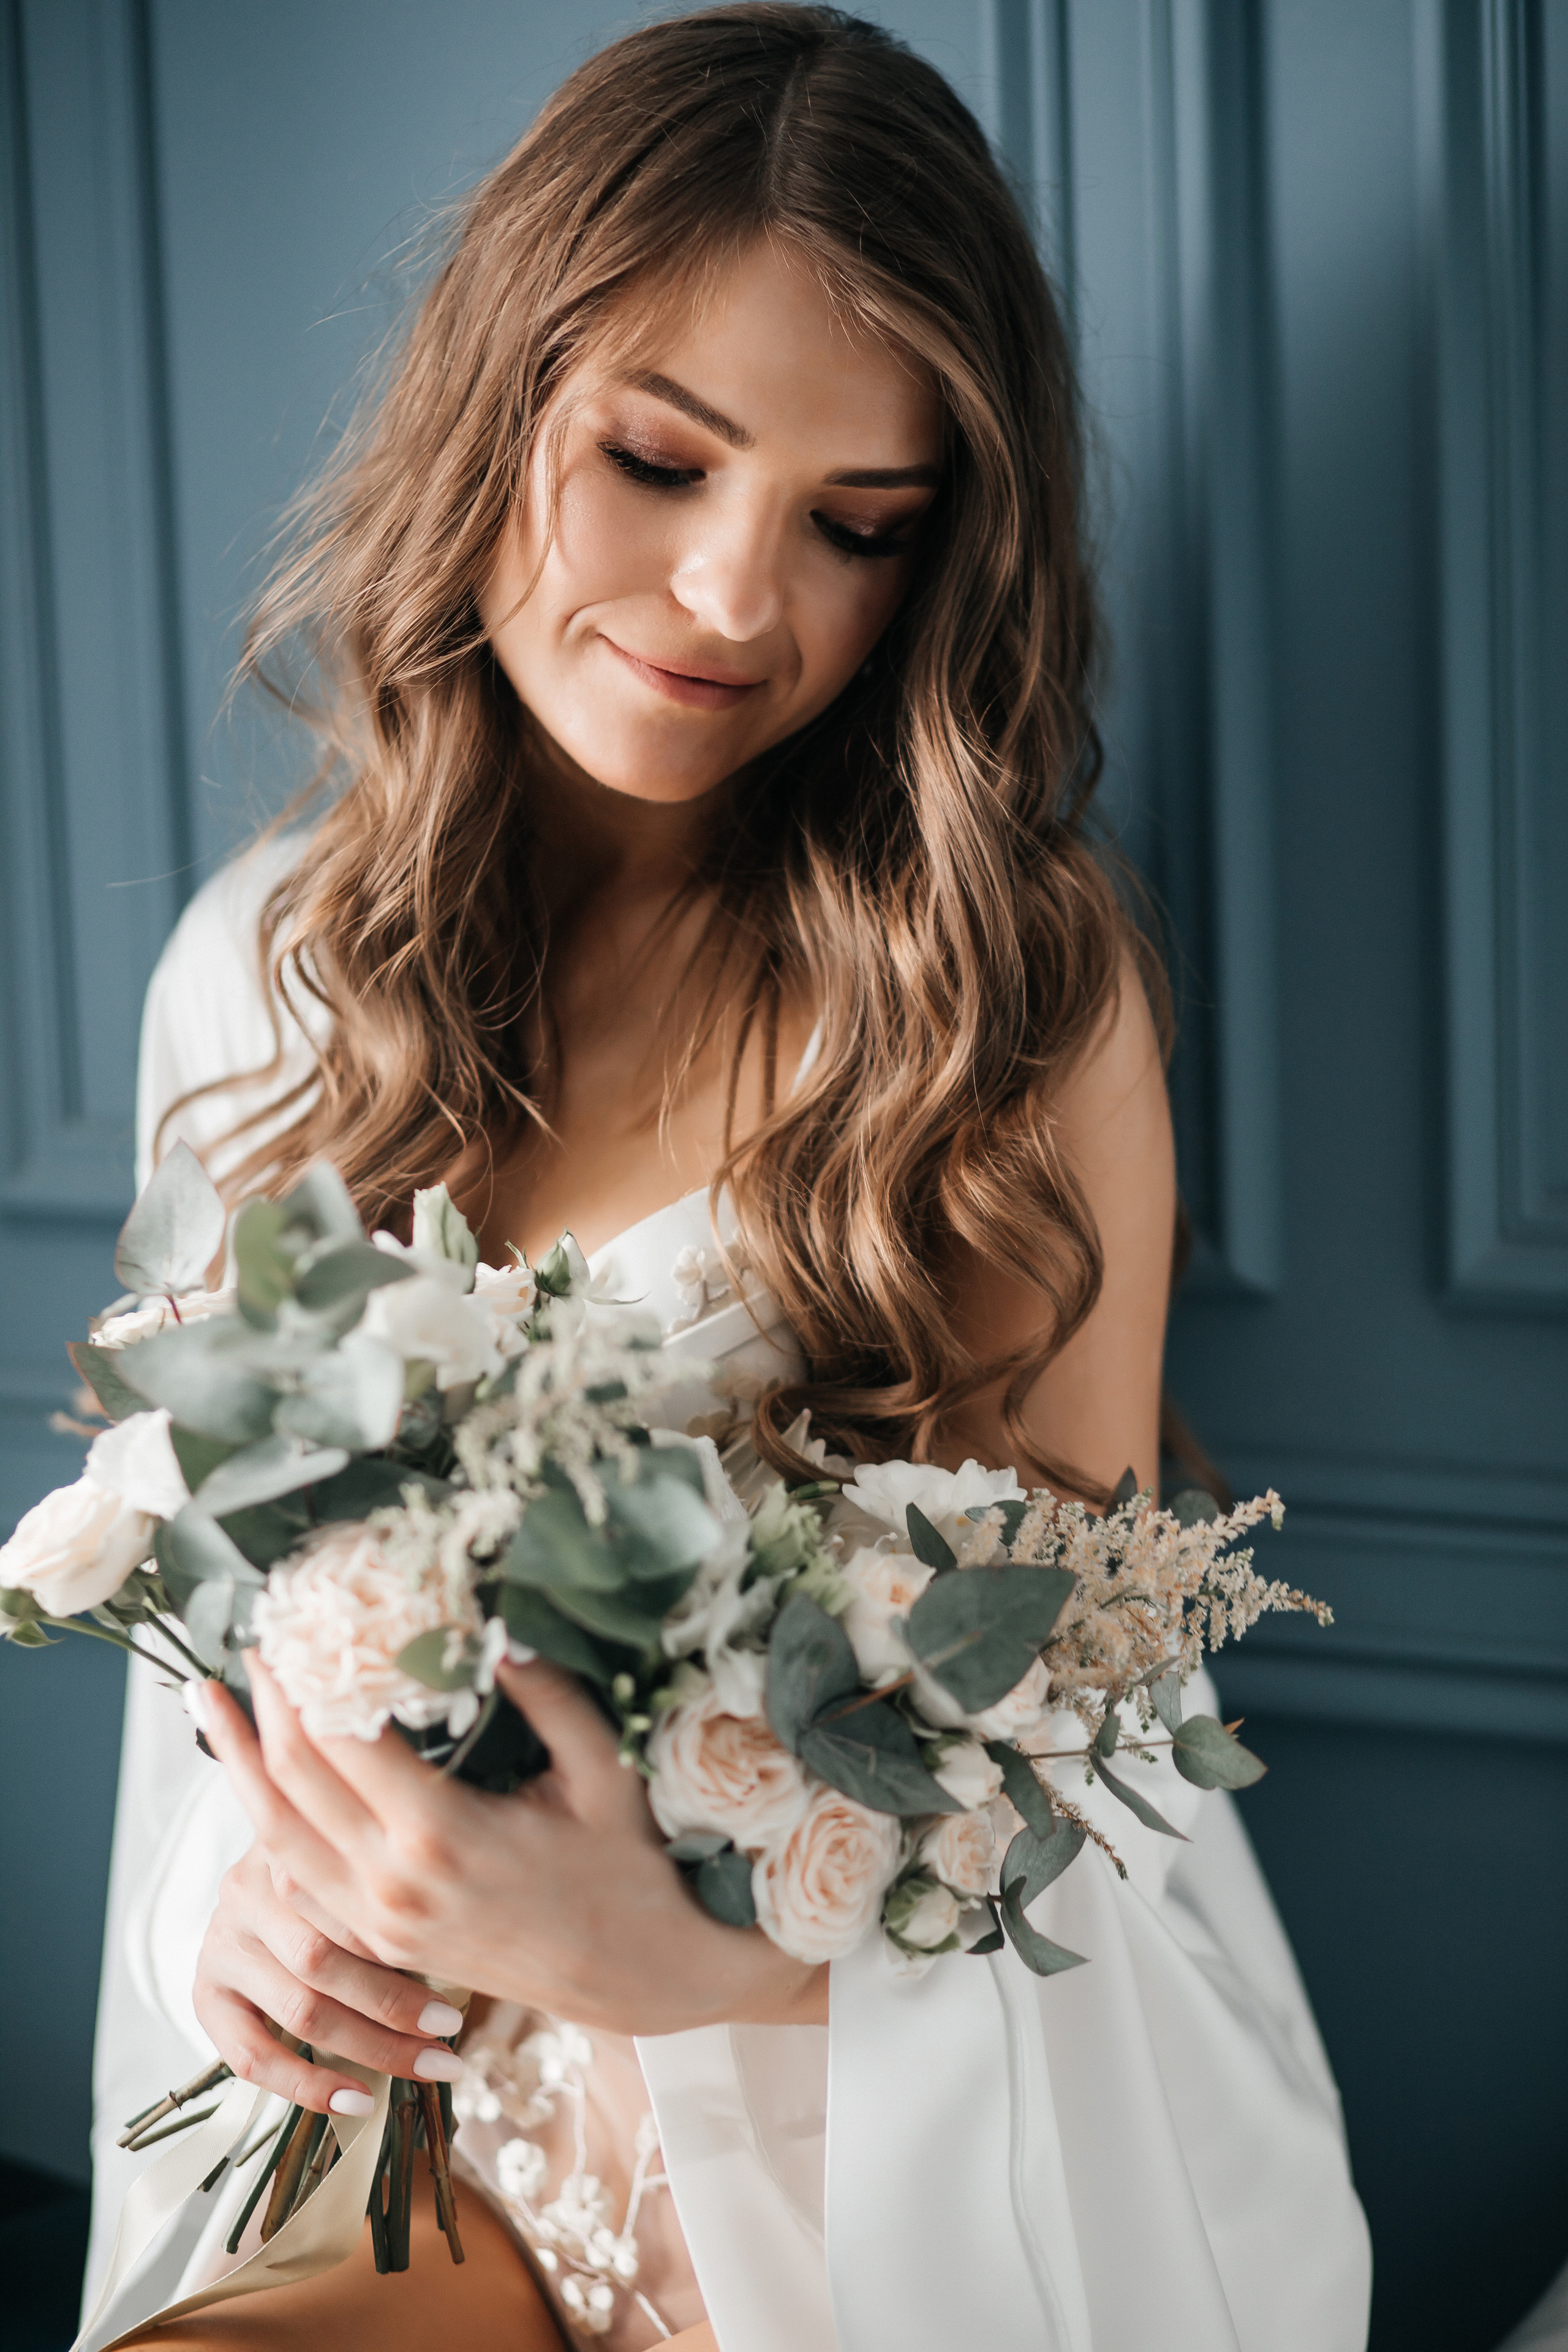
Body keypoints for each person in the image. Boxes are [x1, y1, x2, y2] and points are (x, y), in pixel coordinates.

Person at [85, 9, 1372, 2347]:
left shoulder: (1009, 993)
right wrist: (239, 1915)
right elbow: (209, 1687)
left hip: (856, 2126)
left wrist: (681, 1960)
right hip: (420, 2117)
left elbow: (1078, 1760)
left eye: (856, 530)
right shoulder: (259, 979)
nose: (729, 603)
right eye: (658, 462)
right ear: (502, 405)